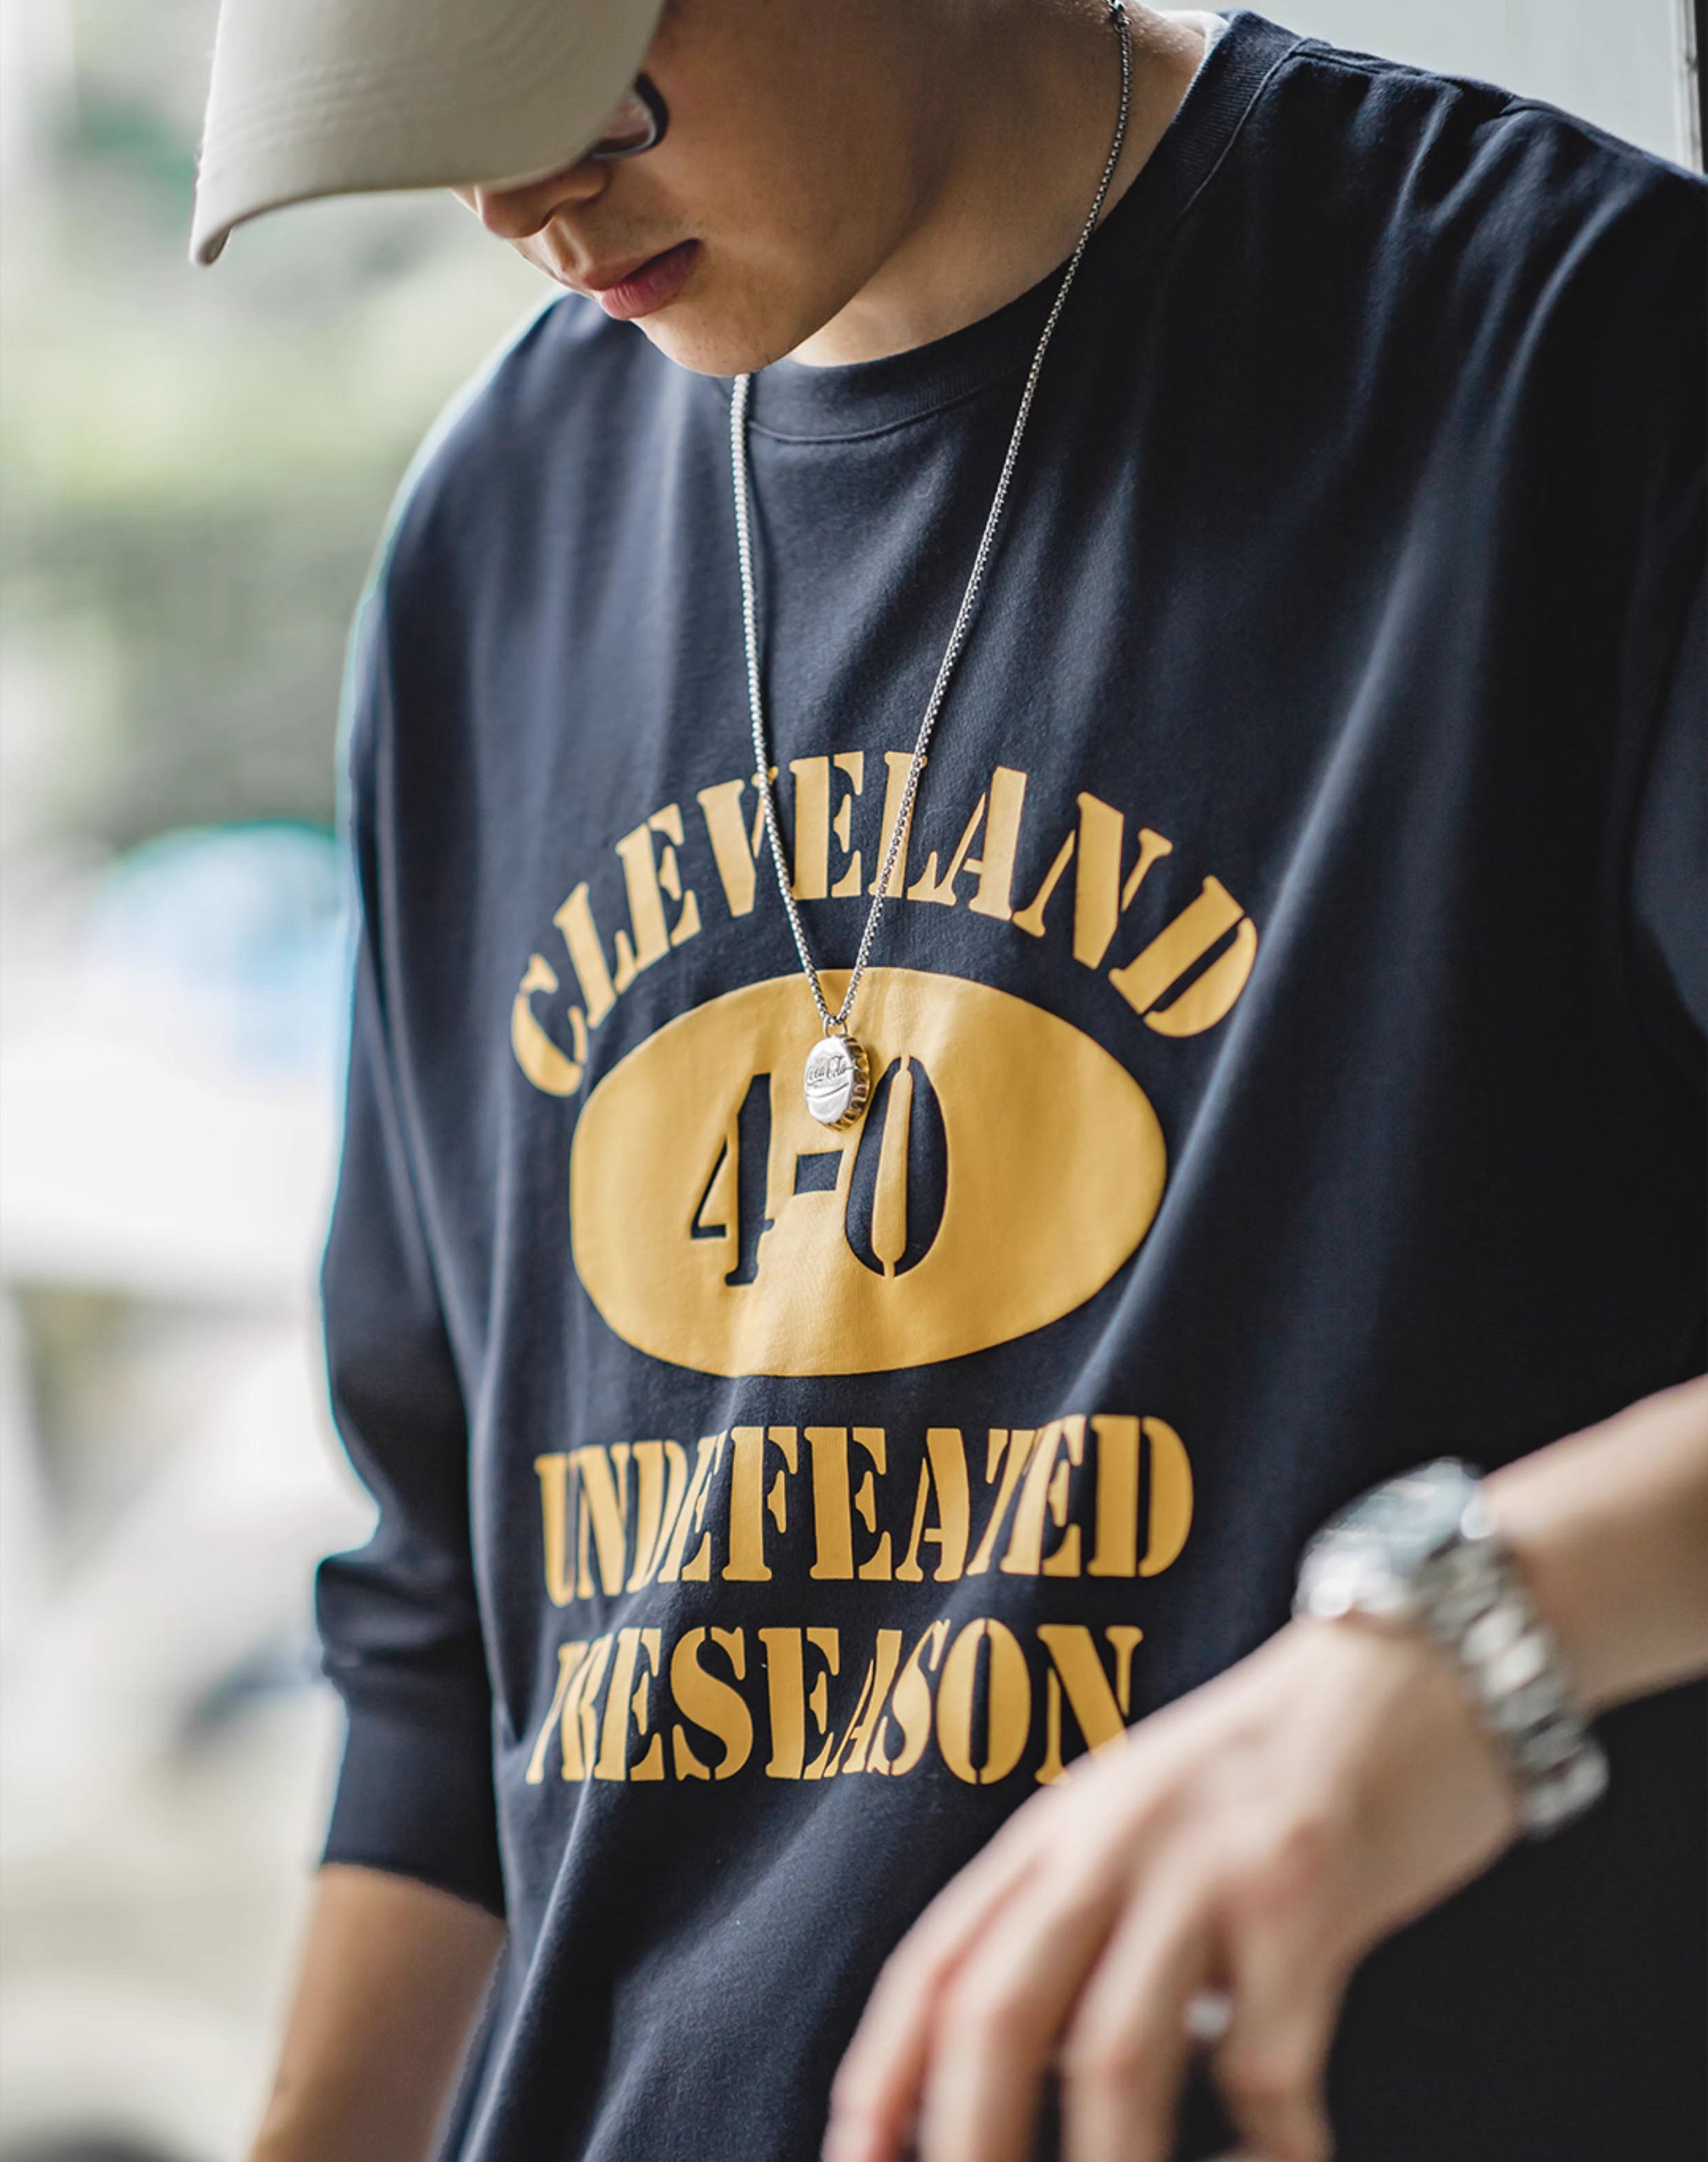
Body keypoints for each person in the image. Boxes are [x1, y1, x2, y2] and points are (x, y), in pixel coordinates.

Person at [191, 3, 1708, 2158]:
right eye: (435, 133)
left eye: (582, 88)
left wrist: (1463, 1631)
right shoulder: (491, 536)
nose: (520, 202)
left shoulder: (1577, 366)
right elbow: (448, 1625)